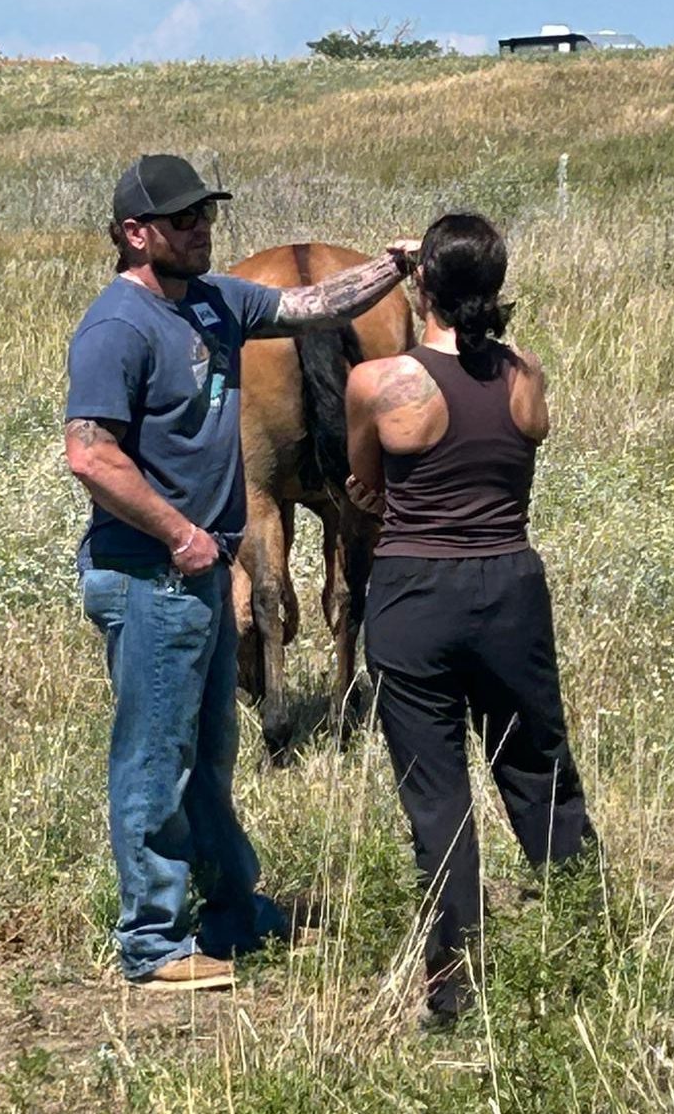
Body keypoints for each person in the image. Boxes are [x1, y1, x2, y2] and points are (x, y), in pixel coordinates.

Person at [65, 153, 419, 992]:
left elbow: (312, 304)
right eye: (183, 219)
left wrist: (393, 269)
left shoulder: (218, 299)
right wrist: (184, 534)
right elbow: (89, 454)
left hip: (200, 574)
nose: (201, 229)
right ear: (133, 233)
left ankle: (231, 909)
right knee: (157, 761)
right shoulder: (116, 327)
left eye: (205, 215)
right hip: (149, 575)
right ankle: (152, 943)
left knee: (212, 753)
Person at [345, 212, 594, 1023]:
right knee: (539, 769)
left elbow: (365, 485)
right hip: (511, 587)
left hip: (416, 592)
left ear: (422, 287)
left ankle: (452, 987)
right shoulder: (527, 372)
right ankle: (592, 940)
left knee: (437, 795)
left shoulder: (382, 384)